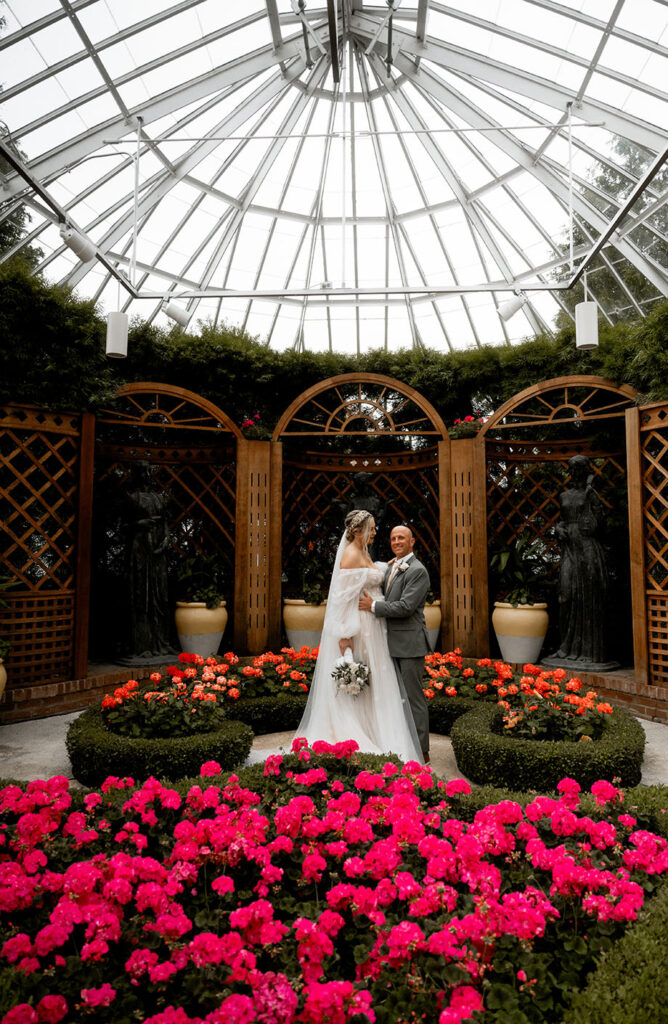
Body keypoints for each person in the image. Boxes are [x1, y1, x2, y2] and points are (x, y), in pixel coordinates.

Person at [293, 509, 423, 763]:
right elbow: (342, 601)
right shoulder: (351, 555)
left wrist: (384, 569)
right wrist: (345, 637)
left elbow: (371, 577)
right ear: (356, 531)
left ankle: (379, 730)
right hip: (362, 626)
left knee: (379, 675)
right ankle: (364, 731)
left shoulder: (364, 552)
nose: (375, 533)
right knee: (370, 675)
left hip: (375, 623)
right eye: (371, 529)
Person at [359, 524, 432, 763]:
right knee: (394, 696)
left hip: (410, 644)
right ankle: (401, 742)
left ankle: (422, 750)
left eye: (402, 538)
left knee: (413, 698)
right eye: (393, 538)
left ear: (412, 542)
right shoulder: (391, 566)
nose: (397, 541)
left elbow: (405, 607)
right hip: (388, 641)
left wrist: (372, 607)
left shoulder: (417, 571)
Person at [543, 454, 617, 670]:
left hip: (588, 549)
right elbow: (563, 520)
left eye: (578, 467)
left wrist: (590, 509)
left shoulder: (591, 493)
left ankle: (589, 652)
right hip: (570, 550)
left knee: (589, 598)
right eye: (571, 468)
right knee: (566, 595)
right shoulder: (564, 496)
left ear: (585, 470)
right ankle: (566, 647)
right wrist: (558, 529)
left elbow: (599, 524)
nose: (574, 471)